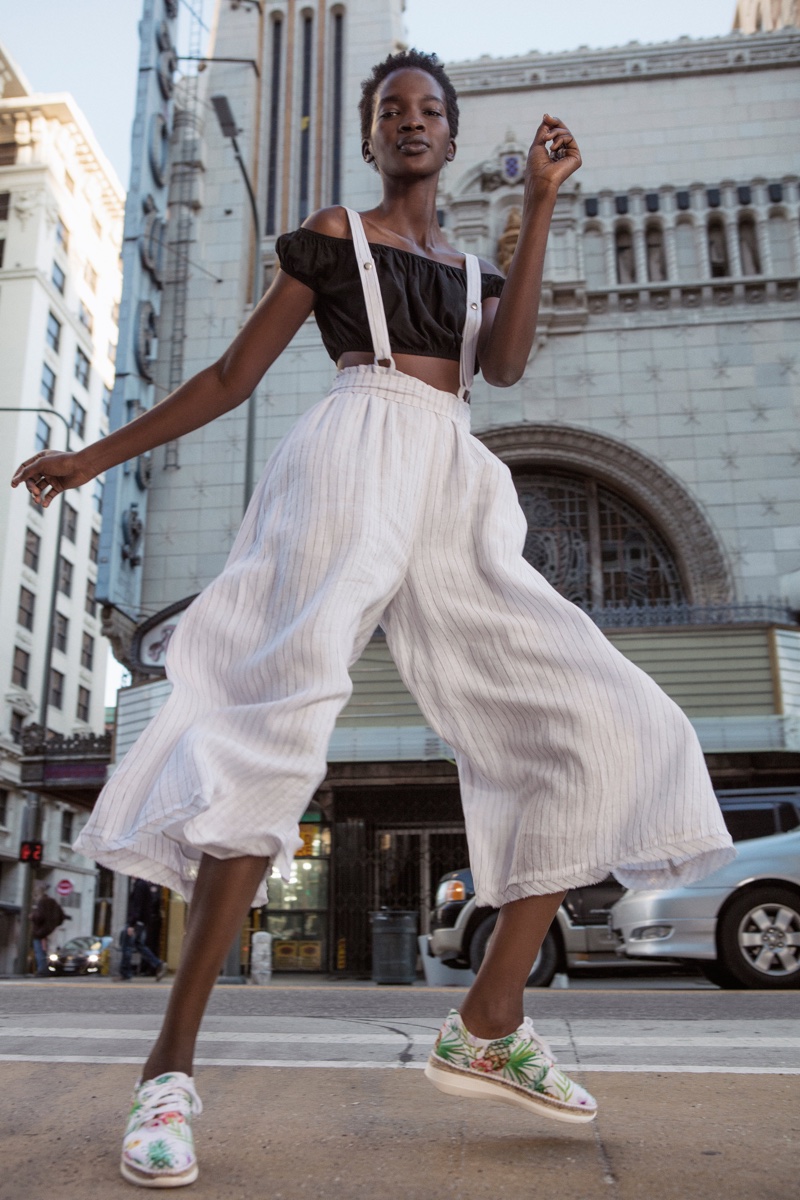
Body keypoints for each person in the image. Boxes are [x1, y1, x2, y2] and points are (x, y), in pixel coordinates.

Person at [11, 49, 734, 1190]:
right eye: (390, 110)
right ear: (371, 136)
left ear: (450, 139)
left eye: (428, 111)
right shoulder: (330, 238)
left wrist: (536, 208)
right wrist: (89, 460)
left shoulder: (466, 266)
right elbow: (228, 381)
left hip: (452, 482)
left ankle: (490, 1018)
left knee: (616, 721)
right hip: (347, 464)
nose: (409, 122)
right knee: (261, 747)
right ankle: (166, 1078)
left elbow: (499, 368)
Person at [119, 878, 168, 982]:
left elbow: (136, 905)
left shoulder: (140, 885)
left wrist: (132, 923)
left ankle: (125, 973)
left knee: (127, 945)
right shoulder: (145, 885)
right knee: (139, 945)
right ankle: (158, 963)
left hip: (136, 922)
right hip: (142, 922)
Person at [29, 884, 66, 976]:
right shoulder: (53, 902)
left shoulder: (41, 902)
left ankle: (42, 970)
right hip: (51, 930)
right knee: (50, 951)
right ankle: (50, 969)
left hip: (40, 932)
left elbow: (39, 916)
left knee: (40, 951)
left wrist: (32, 916)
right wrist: (54, 924)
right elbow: (62, 915)